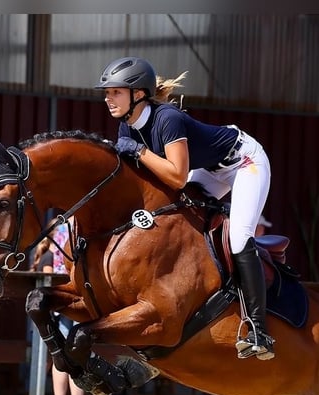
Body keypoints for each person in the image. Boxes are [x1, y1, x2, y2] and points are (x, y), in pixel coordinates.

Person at [95, 56, 274, 360]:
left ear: (138, 94)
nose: (108, 99)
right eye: (107, 93)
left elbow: (177, 176)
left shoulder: (167, 119)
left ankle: (259, 329)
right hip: (208, 170)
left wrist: (139, 151)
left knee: (240, 236)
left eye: (115, 92)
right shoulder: (127, 130)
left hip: (243, 162)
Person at [35, 221, 98, 395]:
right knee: (75, 356)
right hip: (73, 301)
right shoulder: (76, 230)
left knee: (60, 357)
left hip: (59, 304)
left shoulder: (60, 235)